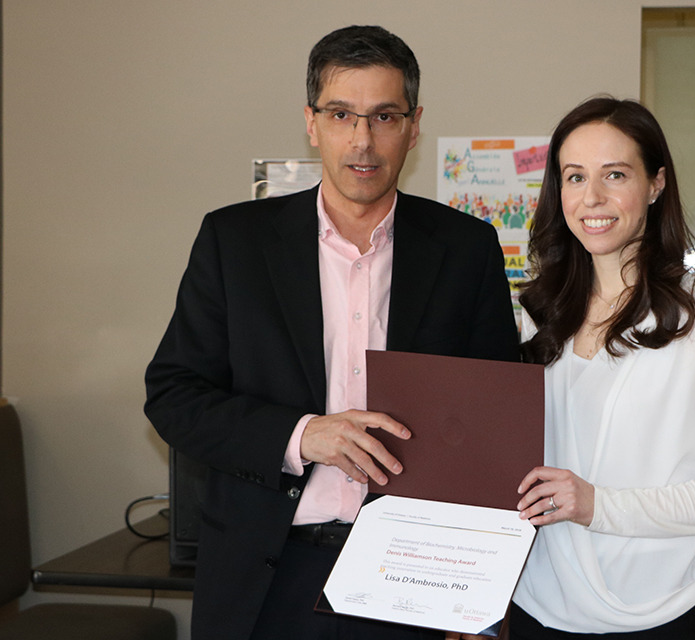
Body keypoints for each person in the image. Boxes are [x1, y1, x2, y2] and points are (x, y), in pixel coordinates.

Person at [144, 25, 519, 640]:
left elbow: (492, 423)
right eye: (342, 114)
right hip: (266, 578)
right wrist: (301, 435)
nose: (363, 141)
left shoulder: (466, 248)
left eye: (384, 116)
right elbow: (174, 395)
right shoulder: (234, 241)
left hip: (415, 579)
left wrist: (479, 591)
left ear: (414, 125)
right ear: (312, 123)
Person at [509, 96, 695, 639]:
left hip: (654, 618)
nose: (592, 198)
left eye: (615, 174)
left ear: (655, 184)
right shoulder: (535, 315)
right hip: (535, 609)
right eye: (575, 176)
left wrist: (599, 505)